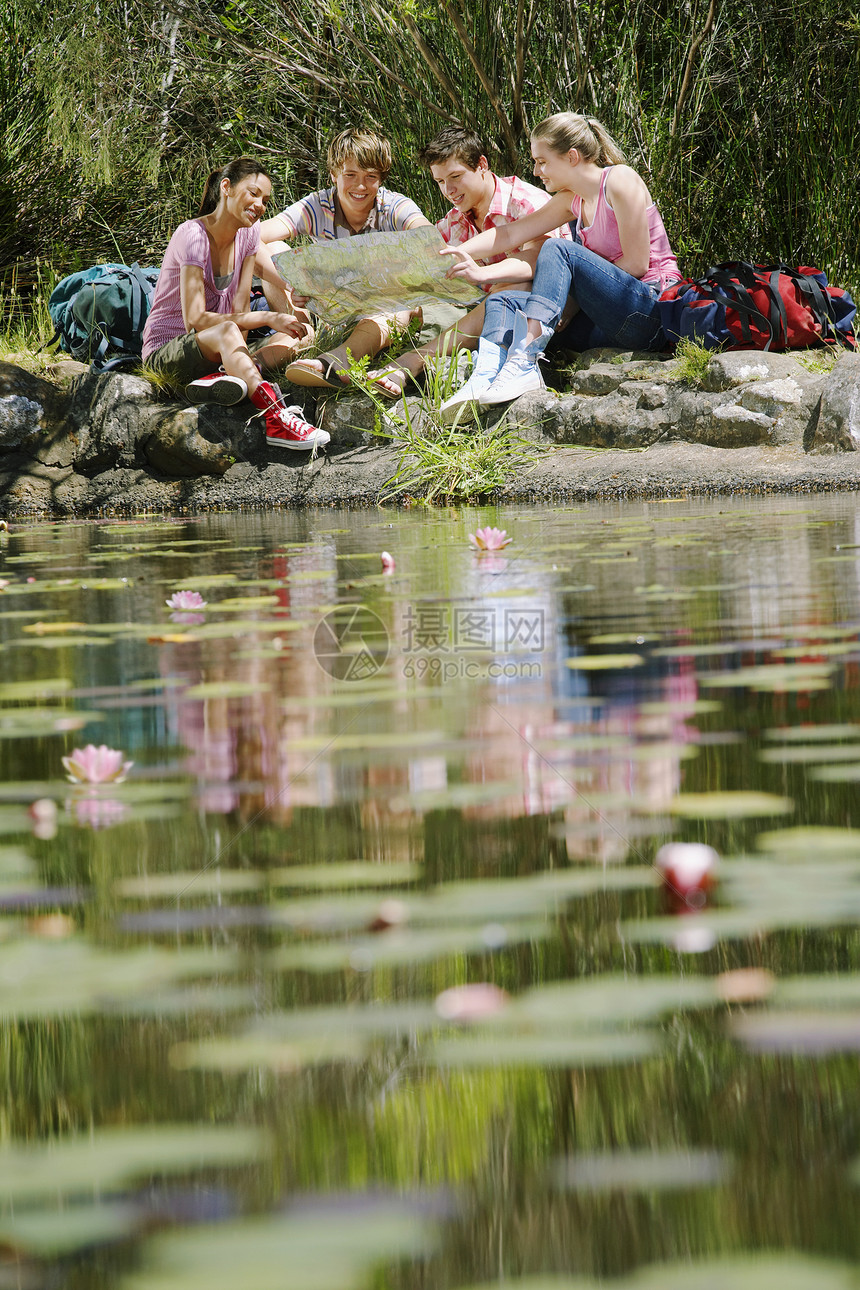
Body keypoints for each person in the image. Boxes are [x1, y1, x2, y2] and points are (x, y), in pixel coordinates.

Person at [439, 113, 681, 415]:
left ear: (572, 157)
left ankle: (526, 360)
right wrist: (457, 253)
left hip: (649, 313)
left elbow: (635, 264)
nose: (536, 170)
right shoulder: (572, 199)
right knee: (504, 298)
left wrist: (568, 297)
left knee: (557, 249)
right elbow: (512, 232)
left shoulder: (620, 180)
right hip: (605, 323)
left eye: (542, 161)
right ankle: (484, 376)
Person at [368, 126, 573, 399]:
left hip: (540, 316)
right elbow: (420, 262)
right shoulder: (456, 218)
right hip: (482, 312)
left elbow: (538, 261)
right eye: (440, 182)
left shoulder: (525, 202)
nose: (448, 190)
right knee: (408, 295)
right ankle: (345, 360)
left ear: (482, 165)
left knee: (512, 286)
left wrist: (481, 273)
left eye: (455, 177)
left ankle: (414, 360)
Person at [141, 156, 329, 452]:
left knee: (299, 337)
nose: (260, 205)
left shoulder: (249, 235)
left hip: (219, 347)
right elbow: (195, 321)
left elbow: (239, 316)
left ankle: (229, 374)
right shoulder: (192, 235)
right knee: (232, 330)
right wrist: (268, 317)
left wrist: (292, 296)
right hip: (170, 349)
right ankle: (276, 418)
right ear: (226, 187)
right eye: (253, 193)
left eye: (265, 199)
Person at [259, 127, 431, 390]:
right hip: (327, 310)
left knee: (401, 304)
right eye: (350, 174)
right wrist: (294, 282)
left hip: (381, 312)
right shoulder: (316, 206)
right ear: (334, 175)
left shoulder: (394, 206)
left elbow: (424, 233)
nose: (360, 186)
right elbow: (253, 237)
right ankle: (247, 367)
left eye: (370, 176)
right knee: (273, 248)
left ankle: (338, 360)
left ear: (381, 179)